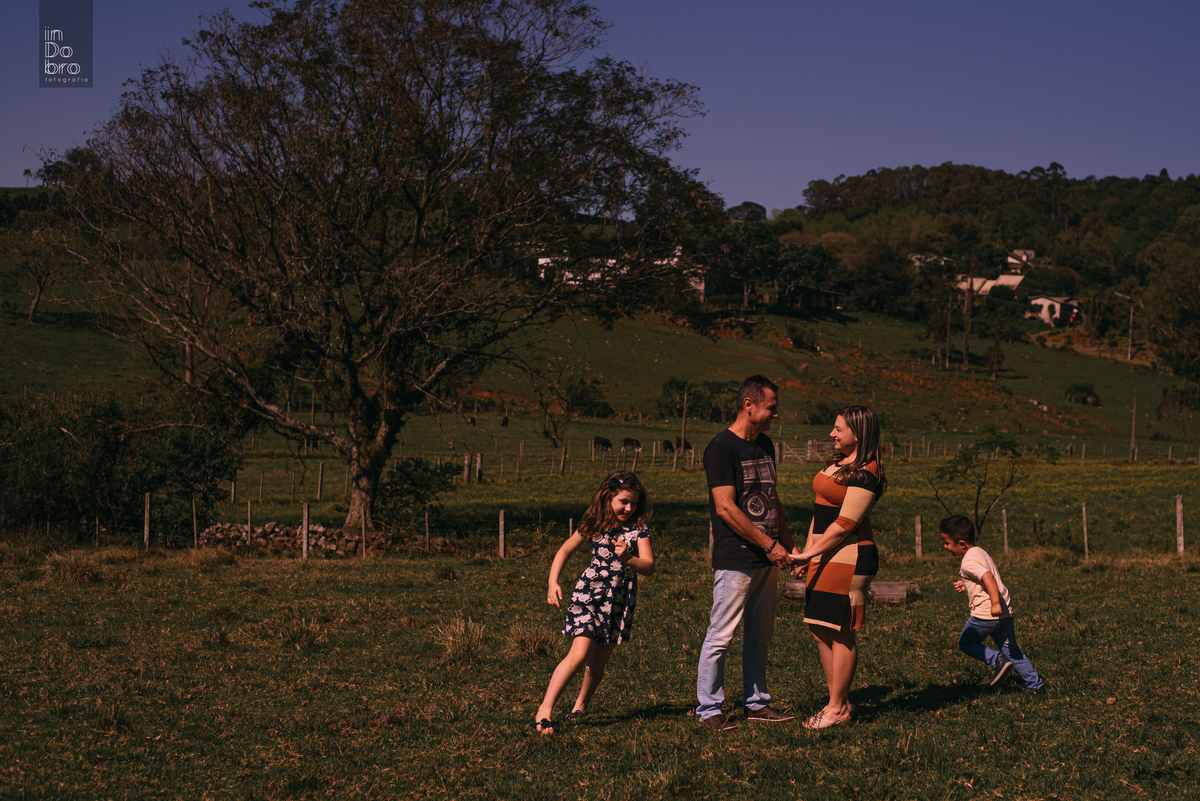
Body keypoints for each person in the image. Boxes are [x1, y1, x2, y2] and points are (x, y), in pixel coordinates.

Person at [696, 375, 799, 731]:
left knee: (760, 636)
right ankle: (709, 710)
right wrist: (769, 545)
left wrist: (787, 544)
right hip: (736, 558)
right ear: (749, 405)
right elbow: (725, 507)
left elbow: (773, 499)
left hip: (767, 558)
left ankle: (756, 704)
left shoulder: (766, 445)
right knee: (721, 635)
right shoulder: (722, 448)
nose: (775, 415)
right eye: (771, 408)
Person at [532, 471, 655, 733]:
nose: (628, 508)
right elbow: (565, 549)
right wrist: (552, 582)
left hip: (619, 601)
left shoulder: (638, 530)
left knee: (596, 664)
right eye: (623, 501)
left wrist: (629, 558)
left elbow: (649, 566)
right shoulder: (594, 525)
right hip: (588, 595)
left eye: (633, 502)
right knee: (577, 656)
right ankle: (544, 711)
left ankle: (580, 706)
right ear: (609, 497)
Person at [789, 406, 886, 728]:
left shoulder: (866, 473)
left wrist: (810, 553)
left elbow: (845, 524)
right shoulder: (836, 463)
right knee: (818, 628)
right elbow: (820, 514)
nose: (832, 434)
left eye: (838, 429)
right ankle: (838, 703)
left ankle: (837, 708)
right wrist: (808, 552)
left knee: (840, 631)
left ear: (857, 433)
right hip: (824, 553)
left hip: (850, 557)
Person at [940, 514, 1046, 694]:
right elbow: (982, 576)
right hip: (1004, 613)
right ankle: (1035, 685)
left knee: (966, 643)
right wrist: (966, 584)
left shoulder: (967, 562)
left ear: (962, 544)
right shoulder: (979, 551)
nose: (945, 547)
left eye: (948, 543)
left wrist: (994, 603)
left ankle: (997, 660)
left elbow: (987, 577)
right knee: (1013, 651)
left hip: (986, 614)